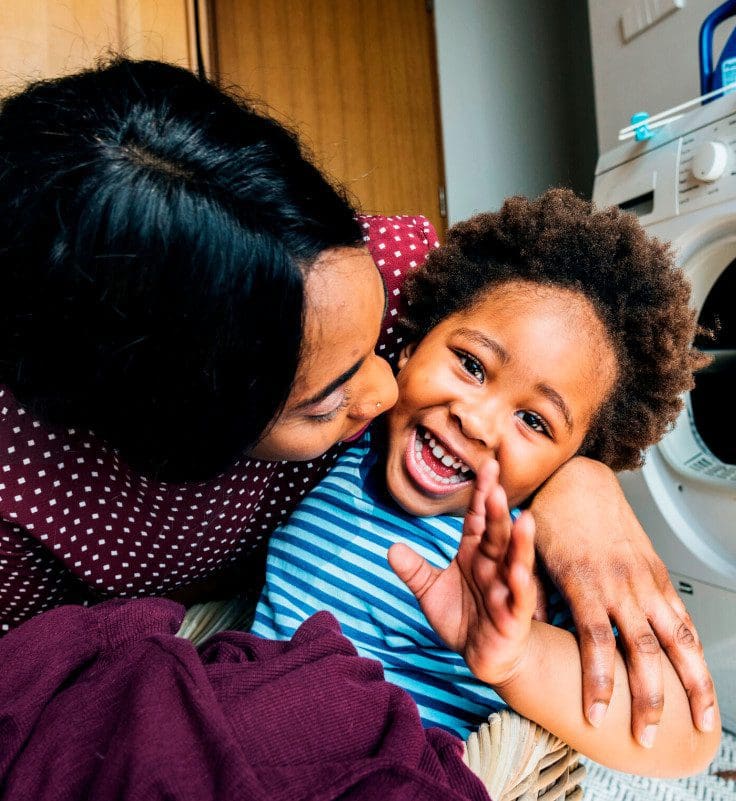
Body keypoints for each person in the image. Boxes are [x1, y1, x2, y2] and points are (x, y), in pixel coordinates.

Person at [0, 59, 714, 740]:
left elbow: (677, 726)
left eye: (382, 341)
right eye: (325, 395)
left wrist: (580, 485)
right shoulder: (31, 501)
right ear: (184, 429)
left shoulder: (409, 285)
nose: (382, 389)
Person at [252, 190, 721, 775]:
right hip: (249, 724)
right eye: (471, 364)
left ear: (573, 461)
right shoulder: (351, 436)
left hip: (380, 773)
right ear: (412, 343)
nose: (475, 420)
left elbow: (688, 739)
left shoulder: (525, 555)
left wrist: (518, 654)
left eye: (534, 421)